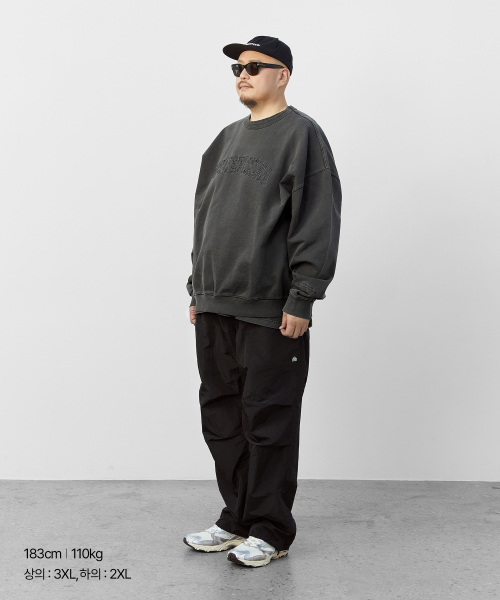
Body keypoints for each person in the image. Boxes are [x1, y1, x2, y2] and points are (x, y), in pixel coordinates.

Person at [183, 36, 342, 568]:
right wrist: (197, 288)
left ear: (283, 74)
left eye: (254, 65)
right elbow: (206, 217)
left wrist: (303, 296)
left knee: (268, 420)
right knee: (222, 419)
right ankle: (237, 518)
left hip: (271, 308)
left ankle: (272, 529)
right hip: (215, 303)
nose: (242, 74)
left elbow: (316, 217)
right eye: (237, 67)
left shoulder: (302, 135)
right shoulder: (224, 139)